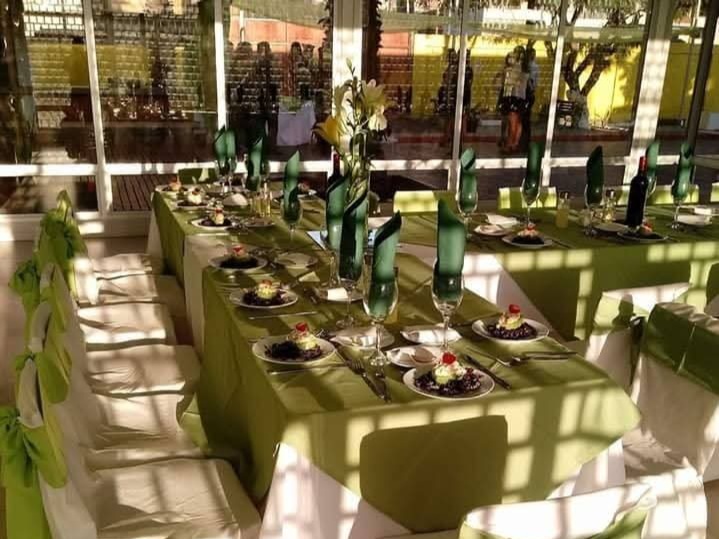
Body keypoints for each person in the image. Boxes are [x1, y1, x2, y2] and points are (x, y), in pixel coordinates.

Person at [497, 47, 528, 153]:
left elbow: (509, 83)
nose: (511, 58)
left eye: (513, 56)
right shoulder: (524, 67)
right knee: (517, 122)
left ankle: (509, 144)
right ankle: (515, 144)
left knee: (513, 122)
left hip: (514, 96)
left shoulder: (516, 68)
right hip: (521, 97)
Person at [521, 47, 538, 152]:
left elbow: (533, 81)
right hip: (526, 94)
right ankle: (524, 142)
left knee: (525, 120)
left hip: (527, 94)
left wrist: (531, 88)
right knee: (525, 120)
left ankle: (525, 142)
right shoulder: (528, 66)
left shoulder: (531, 67)